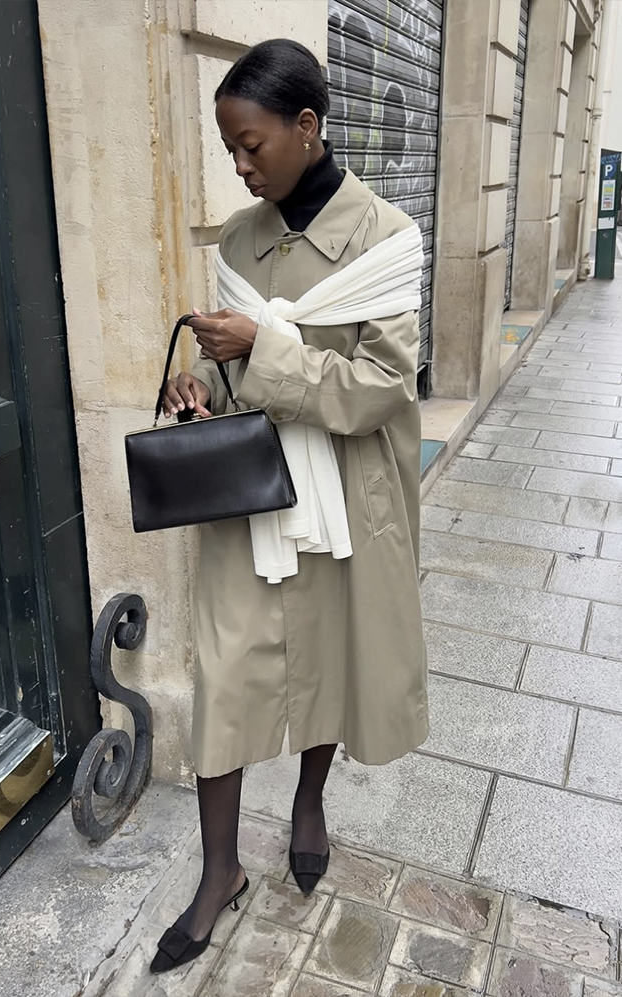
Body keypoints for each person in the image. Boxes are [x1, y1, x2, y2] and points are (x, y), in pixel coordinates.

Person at [153, 39, 430, 973]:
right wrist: (196, 387)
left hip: (348, 499)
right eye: (229, 146)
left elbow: (381, 389)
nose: (238, 164)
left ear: (306, 129)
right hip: (250, 498)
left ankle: (309, 802)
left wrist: (258, 354)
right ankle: (217, 871)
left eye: (249, 143)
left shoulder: (386, 239)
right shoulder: (238, 239)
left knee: (328, 660)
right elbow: (229, 376)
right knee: (225, 673)